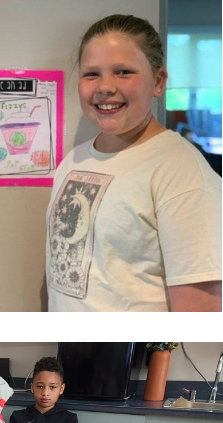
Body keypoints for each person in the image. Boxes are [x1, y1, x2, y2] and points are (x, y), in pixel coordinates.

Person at [47, 14, 221, 312]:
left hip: (133, 359)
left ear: (157, 81)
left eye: (123, 72)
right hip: (69, 356)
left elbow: (199, 318)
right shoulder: (74, 160)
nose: (105, 87)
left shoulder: (183, 173)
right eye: (91, 74)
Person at [8, 357, 78, 423]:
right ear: (32, 387)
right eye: (40, 386)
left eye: (52, 387)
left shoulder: (70, 419)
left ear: (61, 389)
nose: (45, 393)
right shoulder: (17, 418)